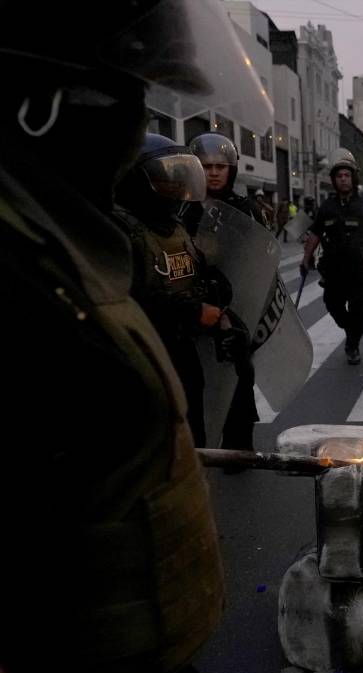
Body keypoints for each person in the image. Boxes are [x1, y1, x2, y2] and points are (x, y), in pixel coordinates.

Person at [0, 0, 268, 673]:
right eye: (121, 91)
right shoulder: (17, 271)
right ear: (42, 102)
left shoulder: (64, 239)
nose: (134, 121)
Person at [113, 134, 234, 448]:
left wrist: (217, 296)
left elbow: (199, 272)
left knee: (192, 429)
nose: (177, 188)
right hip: (143, 353)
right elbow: (128, 298)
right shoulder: (121, 231)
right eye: (166, 180)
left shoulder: (174, 226)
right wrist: (193, 312)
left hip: (181, 345)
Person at [188, 132, 261, 454]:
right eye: (206, 166)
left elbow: (260, 257)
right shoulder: (183, 208)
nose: (214, 172)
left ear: (230, 169)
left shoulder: (244, 210)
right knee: (195, 381)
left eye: (220, 166)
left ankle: (238, 447)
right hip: (194, 305)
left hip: (235, 305)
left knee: (240, 377)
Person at [302, 149, 363, 366]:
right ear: (334, 180)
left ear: (353, 178)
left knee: (358, 309)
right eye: (339, 176)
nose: (343, 179)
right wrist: (306, 257)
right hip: (334, 270)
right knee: (332, 304)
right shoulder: (327, 207)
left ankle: (352, 345)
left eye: (347, 175)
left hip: (359, 270)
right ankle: (350, 330)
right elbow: (316, 233)